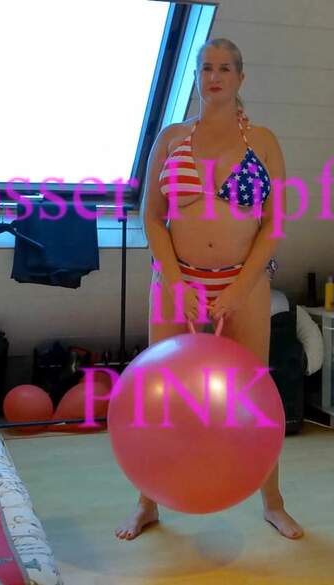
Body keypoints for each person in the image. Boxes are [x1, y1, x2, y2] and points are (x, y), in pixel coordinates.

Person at [115, 38, 303, 541]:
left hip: (243, 282)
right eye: (205, 68)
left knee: (256, 396)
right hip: (176, 280)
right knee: (160, 397)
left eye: (223, 68)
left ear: (241, 77)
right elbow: (151, 218)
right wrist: (176, 281)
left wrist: (239, 289)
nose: (213, 76)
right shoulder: (171, 138)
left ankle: (274, 502)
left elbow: (274, 224)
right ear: (196, 77)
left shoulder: (263, 142)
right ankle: (147, 502)